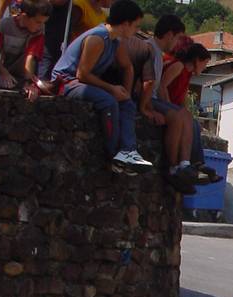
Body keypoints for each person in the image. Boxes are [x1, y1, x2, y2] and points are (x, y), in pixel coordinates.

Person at [51, 0, 152, 174]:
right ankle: (113, 154)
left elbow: (127, 66)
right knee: (108, 101)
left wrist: (126, 93)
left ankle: (128, 151)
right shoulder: (97, 38)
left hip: (85, 82)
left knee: (127, 103)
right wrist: (112, 89)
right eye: (136, 26)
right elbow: (82, 74)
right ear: (125, 23)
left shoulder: (115, 41)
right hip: (66, 82)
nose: (137, 30)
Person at [123, 15, 199, 193]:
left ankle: (184, 163)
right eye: (178, 38)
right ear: (170, 34)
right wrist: (145, 108)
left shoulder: (157, 52)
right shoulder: (149, 49)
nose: (178, 43)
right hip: (146, 98)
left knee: (185, 115)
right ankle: (172, 167)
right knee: (176, 117)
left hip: (152, 98)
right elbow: (144, 83)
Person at [159, 37, 219, 183]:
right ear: (197, 60)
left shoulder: (187, 74)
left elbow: (182, 97)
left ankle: (196, 163)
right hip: (166, 105)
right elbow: (162, 86)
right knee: (187, 120)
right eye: (205, 63)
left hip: (175, 108)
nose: (205, 67)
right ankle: (186, 164)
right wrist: (169, 107)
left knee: (194, 124)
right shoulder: (178, 66)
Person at [0, 0, 51, 101]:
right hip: (1, 72)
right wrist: (4, 73)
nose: (41, 26)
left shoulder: (38, 32)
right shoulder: (5, 26)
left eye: (43, 22)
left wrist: (28, 83)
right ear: (24, 16)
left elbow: (30, 58)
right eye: (38, 22)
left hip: (22, 76)